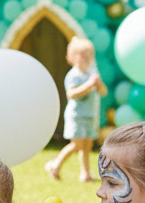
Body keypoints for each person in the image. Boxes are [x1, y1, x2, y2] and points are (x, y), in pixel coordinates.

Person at [46, 36, 107, 182]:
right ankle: (55, 164)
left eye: (89, 55)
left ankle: (85, 173)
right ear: (73, 57)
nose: (86, 58)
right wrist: (89, 85)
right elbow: (71, 94)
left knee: (87, 145)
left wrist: (98, 84)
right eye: (82, 55)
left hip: (91, 115)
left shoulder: (91, 74)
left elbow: (104, 92)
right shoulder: (74, 75)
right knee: (76, 144)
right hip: (77, 115)